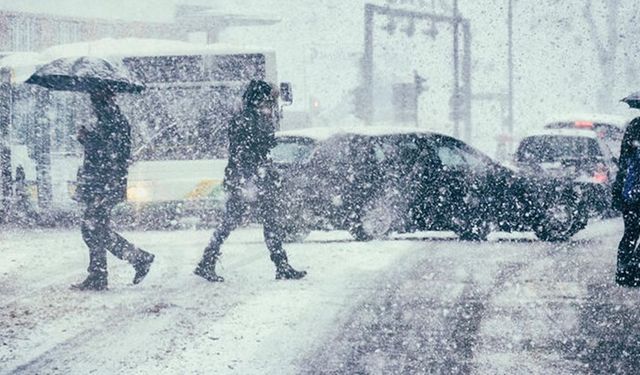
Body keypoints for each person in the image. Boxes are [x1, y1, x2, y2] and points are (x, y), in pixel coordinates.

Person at [194, 80, 307, 282]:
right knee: (241, 221)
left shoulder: (250, 118)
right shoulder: (247, 120)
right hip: (248, 181)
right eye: (267, 101)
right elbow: (244, 153)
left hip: (250, 179)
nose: (270, 105)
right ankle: (207, 262)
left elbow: (253, 150)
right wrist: (250, 179)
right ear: (258, 99)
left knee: (257, 221)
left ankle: (280, 265)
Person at [71, 87, 155, 291]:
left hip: (105, 184)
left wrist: (87, 139)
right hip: (104, 183)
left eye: (94, 98)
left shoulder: (112, 120)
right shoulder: (109, 119)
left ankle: (133, 260)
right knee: (96, 228)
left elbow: (110, 154)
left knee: (92, 228)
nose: (92, 103)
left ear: (102, 99)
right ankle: (103, 272)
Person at [612, 112, 640, 287]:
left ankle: (626, 270)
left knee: (630, 232)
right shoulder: (635, 126)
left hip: (630, 192)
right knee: (631, 232)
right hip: (632, 191)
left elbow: (623, 161)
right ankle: (631, 270)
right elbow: (625, 162)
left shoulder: (634, 126)